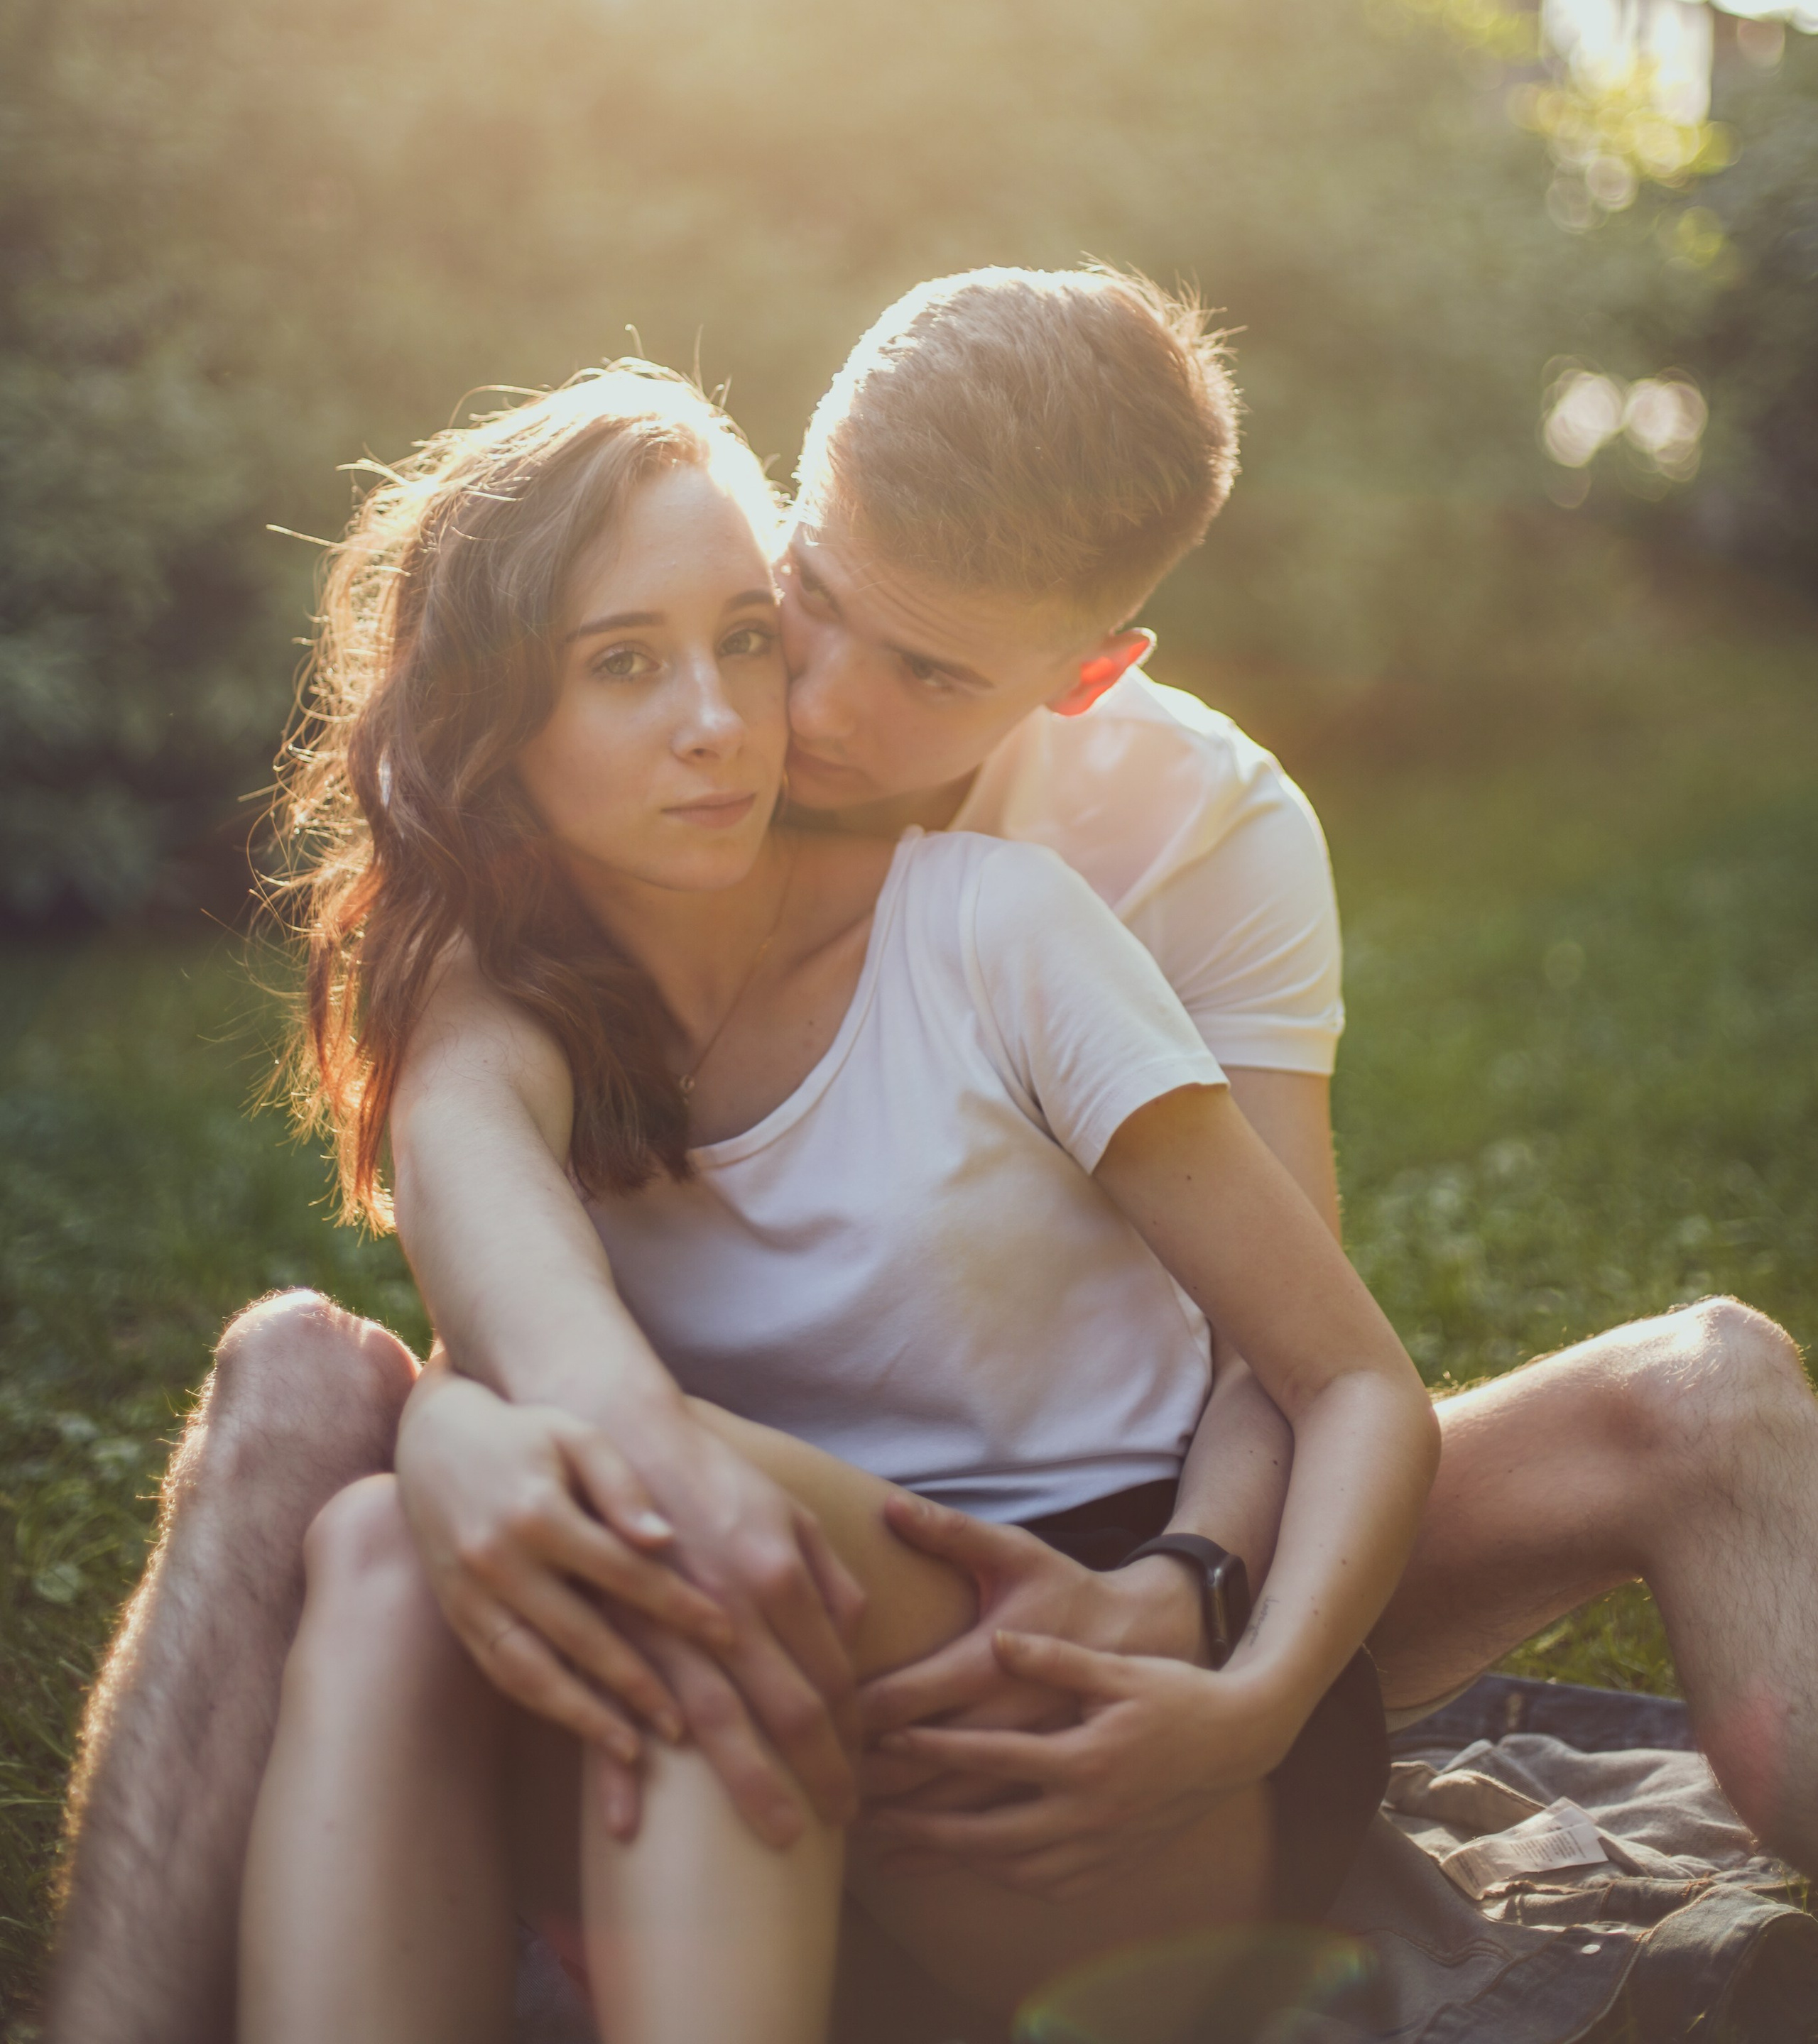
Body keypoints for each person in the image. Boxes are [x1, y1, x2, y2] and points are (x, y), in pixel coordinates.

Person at [45, 270, 1818, 2044]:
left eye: (925, 670)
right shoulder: (588, 834)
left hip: (1060, 1552)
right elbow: (524, 1313)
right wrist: (455, 1432)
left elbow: (1294, 1353)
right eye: (795, 601)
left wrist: (1204, 1616)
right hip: (696, 1523)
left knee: (1701, 1388)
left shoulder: (1168, 846)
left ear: (1083, 674)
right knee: (322, 1430)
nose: (791, 706)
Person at [236, 358, 1438, 2042]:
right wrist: (444, 1441)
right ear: (489, 716)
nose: (730, 717)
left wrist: (1247, 1691)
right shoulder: (490, 1014)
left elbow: (1354, 1376)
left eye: (740, 636)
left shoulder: (995, 925)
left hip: (1089, 1717)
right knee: (380, 1546)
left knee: (675, 1528)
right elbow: (526, 1330)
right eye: (625, 665)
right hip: (740, 1657)